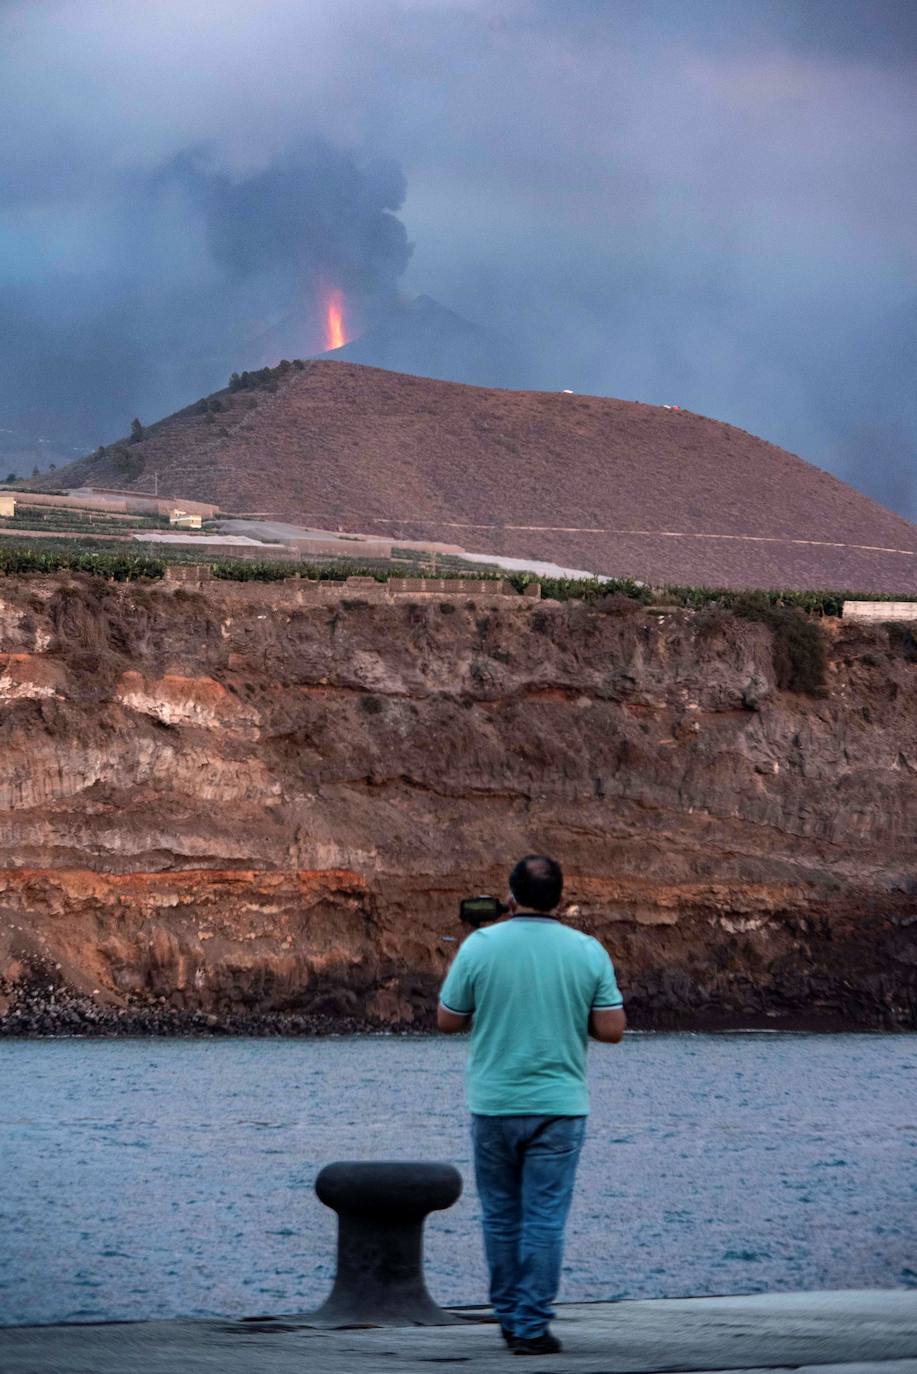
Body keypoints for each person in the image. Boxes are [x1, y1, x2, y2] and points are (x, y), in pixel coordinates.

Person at [438, 854, 625, 1356]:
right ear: (560, 898)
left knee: (500, 1216)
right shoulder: (588, 951)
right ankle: (531, 1325)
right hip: (559, 1107)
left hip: (495, 1104)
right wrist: (570, 1013)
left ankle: (507, 1315)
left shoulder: (479, 946)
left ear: (510, 896)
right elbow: (611, 1030)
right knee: (544, 1218)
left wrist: (472, 943)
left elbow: (448, 1020)